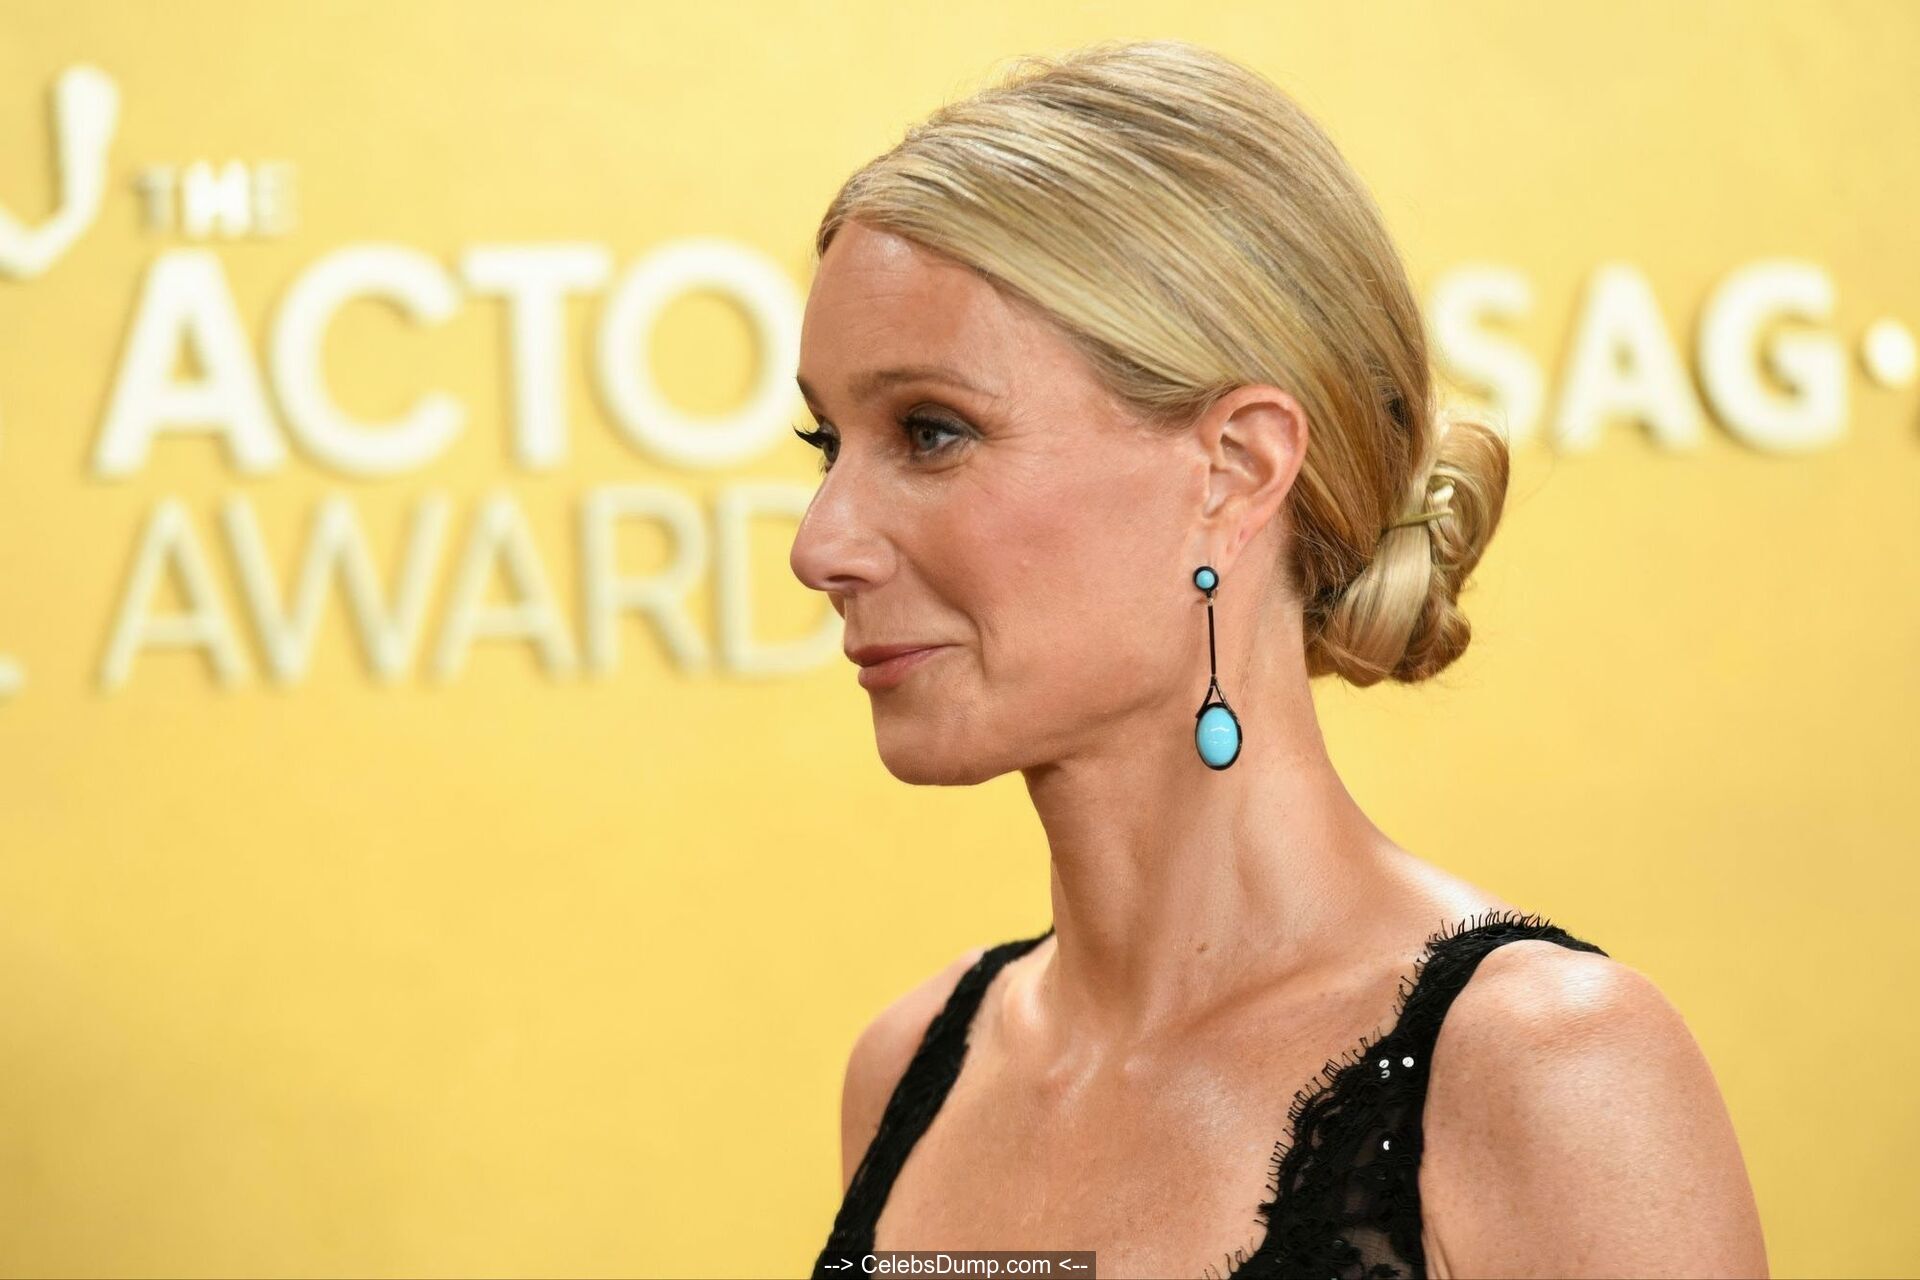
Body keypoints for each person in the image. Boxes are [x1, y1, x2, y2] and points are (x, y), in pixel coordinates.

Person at [788, 37, 1767, 1280]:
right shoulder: (912, 1069)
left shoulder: (1545, 1070)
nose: (821, 544)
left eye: (931, 431)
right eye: (828, 442)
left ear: (1236, 469)